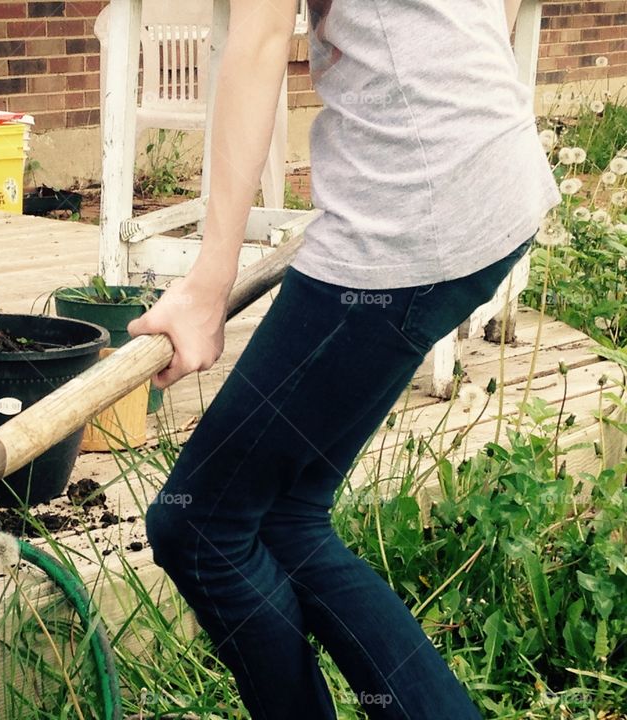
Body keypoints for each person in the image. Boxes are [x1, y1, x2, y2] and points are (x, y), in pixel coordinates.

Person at [126, 0, 560, 717]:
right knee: (287, 515)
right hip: (492, 181)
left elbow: (260, 40)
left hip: (410, 219)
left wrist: (208, 286)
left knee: (200, 523)